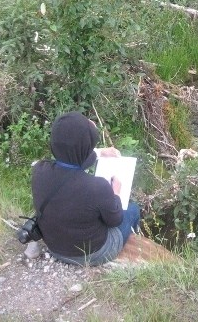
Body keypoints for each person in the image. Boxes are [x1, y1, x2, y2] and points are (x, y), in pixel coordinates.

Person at [31, 111, 140, 266]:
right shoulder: (98, 186)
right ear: (85, 148)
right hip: (91, 254)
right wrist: (115, 194)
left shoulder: (39, 170)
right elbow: (115, 220)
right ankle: (137, 246)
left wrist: (101, 152)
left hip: (54, 248)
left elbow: (71, 158)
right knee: (133, 209)